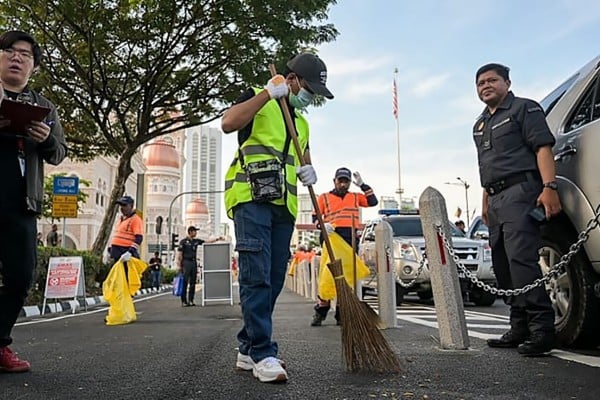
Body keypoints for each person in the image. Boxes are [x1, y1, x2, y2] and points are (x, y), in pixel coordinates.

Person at [222, 52, 333, 383]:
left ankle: (247, 347)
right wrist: (268, 94)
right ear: (293, 79)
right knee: (256, 276)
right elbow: (229, 123)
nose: (310, 98)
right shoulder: (259, 99)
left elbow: (304, 156)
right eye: (308, 89)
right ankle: (263, 352)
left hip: (284, 206)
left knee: (272, 278)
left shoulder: (301, 121)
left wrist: (309, 171)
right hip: (251, 200)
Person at [472, 63, 561, 356]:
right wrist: (485, 201)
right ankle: (519, 325)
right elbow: (487, 167)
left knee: (522, 261)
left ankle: (542, 329)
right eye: (480, 83)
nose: (485, 86)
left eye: (492, 80)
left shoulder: (525, 109)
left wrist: (549, 187)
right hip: (495, 199)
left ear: (507, 83)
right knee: (503, 264)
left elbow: (542, 148)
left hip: (521, 192)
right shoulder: (479, 124)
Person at [0, 30, 68, 373]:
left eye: (25, 54)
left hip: (21, 203)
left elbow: (59, 152)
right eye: (10, 50)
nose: (17, 57)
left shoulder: (44, 106)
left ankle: (0, 344)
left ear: (33, 66)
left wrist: (44, 138)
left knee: (21, 276)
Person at [310, 167, 378, 327]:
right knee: (329, 274)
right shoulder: (324, 198)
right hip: (330, 236)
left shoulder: (355, 197)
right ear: (334, 181)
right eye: (340, 180)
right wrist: (322, 225)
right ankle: (322, 308)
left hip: (349, 238)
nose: (343, 184)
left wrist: (363, 185)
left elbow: (372, 202)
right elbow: (315, 216)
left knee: (346, 275)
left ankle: (342, 312)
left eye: (346, 181)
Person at [176, 226, 225, 307]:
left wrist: (217, 239)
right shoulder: (183, 242)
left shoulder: (196, 241)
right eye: (195, 231)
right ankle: (184, 301)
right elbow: (179, 254)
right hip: (186, 262)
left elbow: (207, 242)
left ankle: (191, 300)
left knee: (193, 282)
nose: (196, 233)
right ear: (190, 232)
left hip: (193, 262)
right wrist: (179, 265)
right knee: (185, 282)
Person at [109, 195, 144, 282]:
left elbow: (139, 238)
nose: (122, 208)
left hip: (125, 252)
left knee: (125, 277)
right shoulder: (121, 219)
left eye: (125, 205)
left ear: (131, 206)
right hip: (117, 252)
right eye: (121, 205)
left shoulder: (135, 219)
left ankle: (126, 295)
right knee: (118, 278)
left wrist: (130, 252)